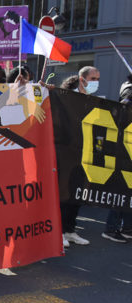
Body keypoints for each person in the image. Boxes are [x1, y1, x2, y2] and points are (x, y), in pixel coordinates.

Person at [58, 68, 99, 247]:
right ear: (82, 80)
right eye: (93, 78)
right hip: (66, 155)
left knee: (77, 194)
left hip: (83, 155)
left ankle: (70, 230)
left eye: (98, 78)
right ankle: (59, 232)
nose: (96, 82)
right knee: (64, 194)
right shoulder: (64, 100)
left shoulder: (91, 102)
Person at [101, 74, 132, 243]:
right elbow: (123, 113)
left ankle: (127, 228)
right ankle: (111, 228)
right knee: (122, 191)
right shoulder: (129, 93)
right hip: (125, 149)